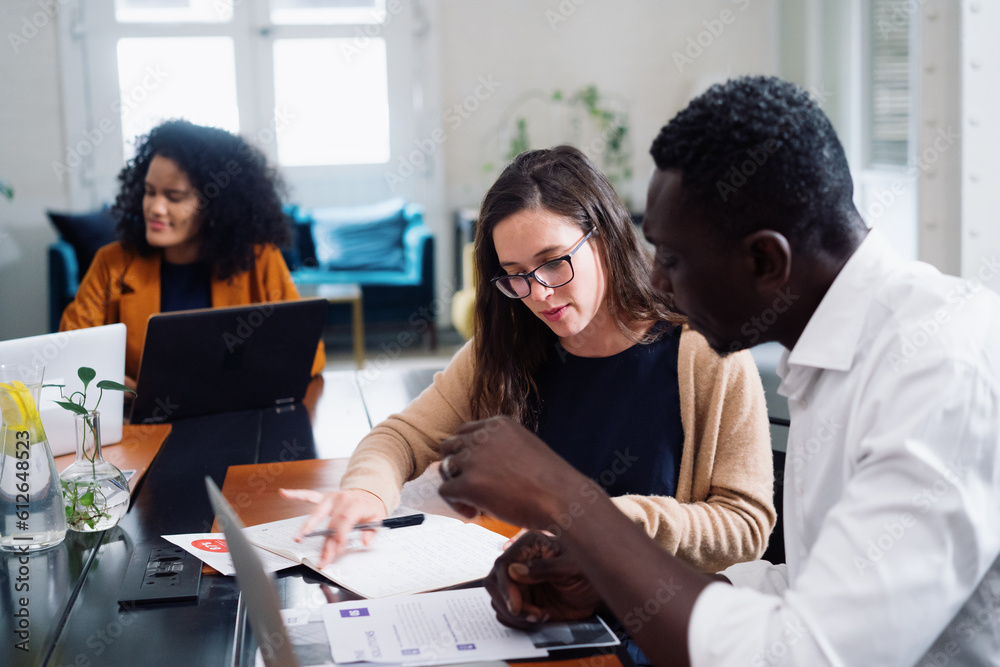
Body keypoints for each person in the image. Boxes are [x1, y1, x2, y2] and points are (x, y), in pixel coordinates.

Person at [436, 76, 1000, 667]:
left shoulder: (939, 371)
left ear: (764, 260)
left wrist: (569, 500)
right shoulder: (829, 354)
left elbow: (810, 653)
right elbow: (804, 595)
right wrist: (614, 586)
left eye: (673, 259)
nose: (655, 282)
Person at [284, 146, 775, 582]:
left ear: (604, 237)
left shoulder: (707, 352)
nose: (538, 294)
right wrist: (367, 494)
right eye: (515, 275)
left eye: (554, 261)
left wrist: (602, 523)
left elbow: (746, 525)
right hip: (534, 596)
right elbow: (399, 438)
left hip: (656, 610)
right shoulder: (509, 345)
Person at [60, 119, 325, 386]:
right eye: (150, 192)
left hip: (236, 418)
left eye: (174, 197)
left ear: (216, 206)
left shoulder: (259, 259)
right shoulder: (113, 263)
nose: (155, 208)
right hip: (143, 424)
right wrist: (107, 380)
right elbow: (71, 350)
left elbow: (309, 354)